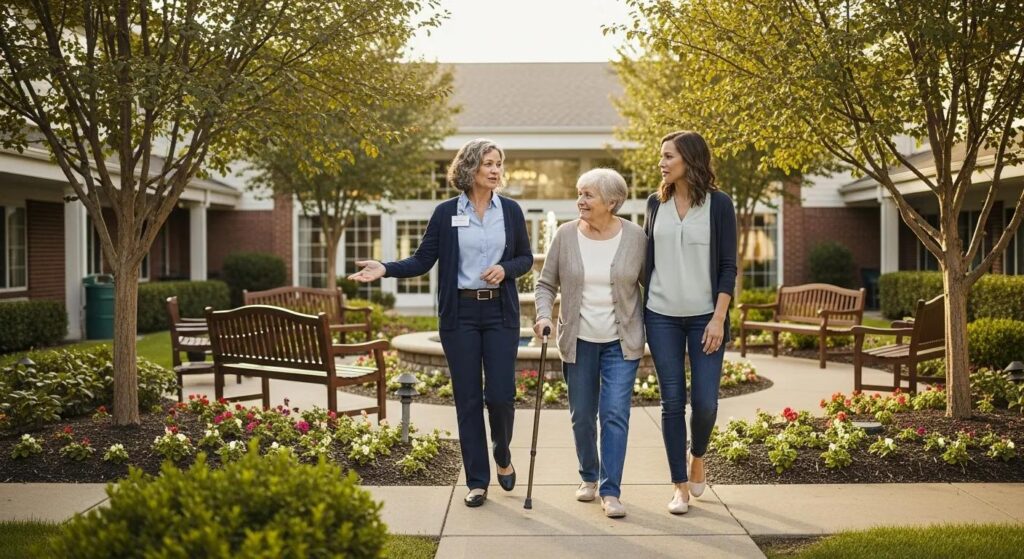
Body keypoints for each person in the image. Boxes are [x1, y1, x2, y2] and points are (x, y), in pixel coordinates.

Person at [348, 139, 533, 508]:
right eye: (488, 164)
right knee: (467, 400)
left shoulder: (510, 211)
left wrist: (506, 268)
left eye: (499, 164)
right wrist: (385, 268)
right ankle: (477, 481)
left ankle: (501, 451)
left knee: (500, 396)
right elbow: (421, 260)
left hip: (500, 314)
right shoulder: (446, 212)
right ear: (469, 169)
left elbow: (526, 258)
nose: (496, 170)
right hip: (460, 315)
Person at [534, 168, 646, 519]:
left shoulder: (636, 237)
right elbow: (545, 284)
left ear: (612, 202)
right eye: (579, 193)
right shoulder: (566, 235)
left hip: (620, 342)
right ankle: (588, 475)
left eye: (588, 195)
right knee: (582, 415)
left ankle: (611, 490)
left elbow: (652, 286)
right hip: (578, 341)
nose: (579, 201)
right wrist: (542, 316)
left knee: (614, 414)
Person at [643, 130, 737, 515]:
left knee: (705, 402)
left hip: (705, 318)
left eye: (668, 156)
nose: (662, 163)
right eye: (661, 157)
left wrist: (718, 318)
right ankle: (679, 486)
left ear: (690, 160)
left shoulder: (719, 205)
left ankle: (697, 455)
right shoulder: (654, 203)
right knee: (671, 402)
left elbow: (729, 266)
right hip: (661, 315)